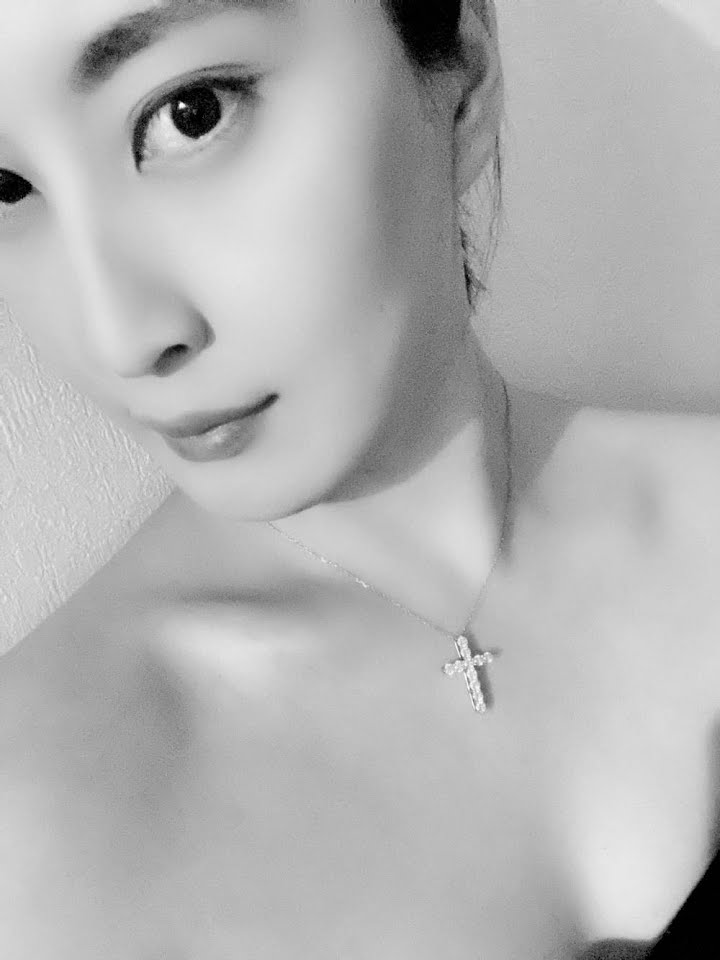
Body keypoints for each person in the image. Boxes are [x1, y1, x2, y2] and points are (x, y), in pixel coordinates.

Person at [0, 0, 717, 957]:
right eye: (5, 186)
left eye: (190, 113)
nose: (119, 334)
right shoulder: (35, 829)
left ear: (463, 77)